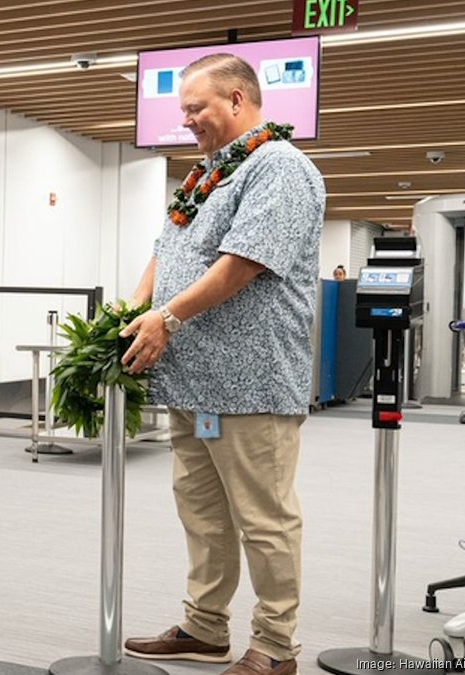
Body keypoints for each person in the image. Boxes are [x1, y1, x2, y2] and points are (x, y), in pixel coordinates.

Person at [117, 54, 325, 675]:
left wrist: (168, 318)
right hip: (194, 378)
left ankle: (275, 646)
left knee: (264, 518)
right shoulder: (204, 177)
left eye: (195, 109)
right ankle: (205, 628)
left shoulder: (281, 169)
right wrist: (131, 312)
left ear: (237, 100)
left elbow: (244, 261)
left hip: (251, 380)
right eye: (183, 111)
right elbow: (167, 249)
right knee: (201, 510)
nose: (187, 121)